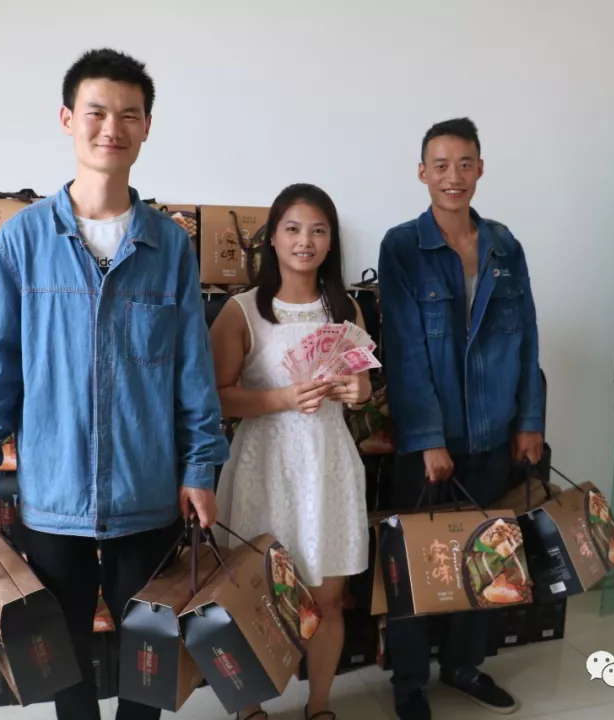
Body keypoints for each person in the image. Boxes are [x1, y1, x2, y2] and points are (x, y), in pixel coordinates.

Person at [0, 48, 229, 720]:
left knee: (149, 653)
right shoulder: (23, 241)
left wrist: (200, 468)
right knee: (62, 655)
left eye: (129, 115)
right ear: (67, 119)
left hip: (148, 492)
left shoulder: (170, 245)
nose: (112, 127)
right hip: (53, 493)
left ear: (147, 127)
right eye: (97, 112)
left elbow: (193, 371)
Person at [376, 117, 546, 719]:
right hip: (431, 445)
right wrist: (427, 438)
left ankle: (465, 666)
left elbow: (527, 336)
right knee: (417, 567)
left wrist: (529, 420)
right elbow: (404, 350)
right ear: (423, 173)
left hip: (494, 436)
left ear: (480, 169)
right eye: (441, 165)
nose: (454, 176)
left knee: (487, 560)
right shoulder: (402, 246)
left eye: (465, 164)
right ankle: (410, 685)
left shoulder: (504, 245)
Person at [210, 183, 372, 720]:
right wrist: (282, 398)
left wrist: (358, 390)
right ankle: (250, 709)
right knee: (255, 597)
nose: (306, 241)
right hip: (264, 467)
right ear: (273, 239)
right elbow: (218, 396)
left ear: (331, 242)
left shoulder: (345, 309)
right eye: (294, 229)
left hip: (329, 466)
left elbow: (362, 386)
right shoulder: (242, 312)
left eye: (318, 231)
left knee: (327, 599)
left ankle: (319, 705)